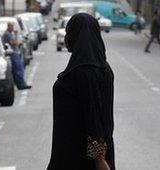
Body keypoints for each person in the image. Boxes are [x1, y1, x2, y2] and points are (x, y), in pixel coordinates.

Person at [47, 13, 115, 170]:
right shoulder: (102, 68)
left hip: (77, 155)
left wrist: (99, 159)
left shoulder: (85, 72)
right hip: (91, 151)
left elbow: (94, 117)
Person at [2, 22, 31, 90]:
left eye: (13, 26)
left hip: (14, 53)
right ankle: (21, 84)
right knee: (18, 69)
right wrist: (16, 36)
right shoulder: (7, 34)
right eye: (11, 27)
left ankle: (21, 83)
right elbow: (13, 43)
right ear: (8, 26)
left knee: (19, 69)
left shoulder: (8, 34)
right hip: (12, 53)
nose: (12, 28)